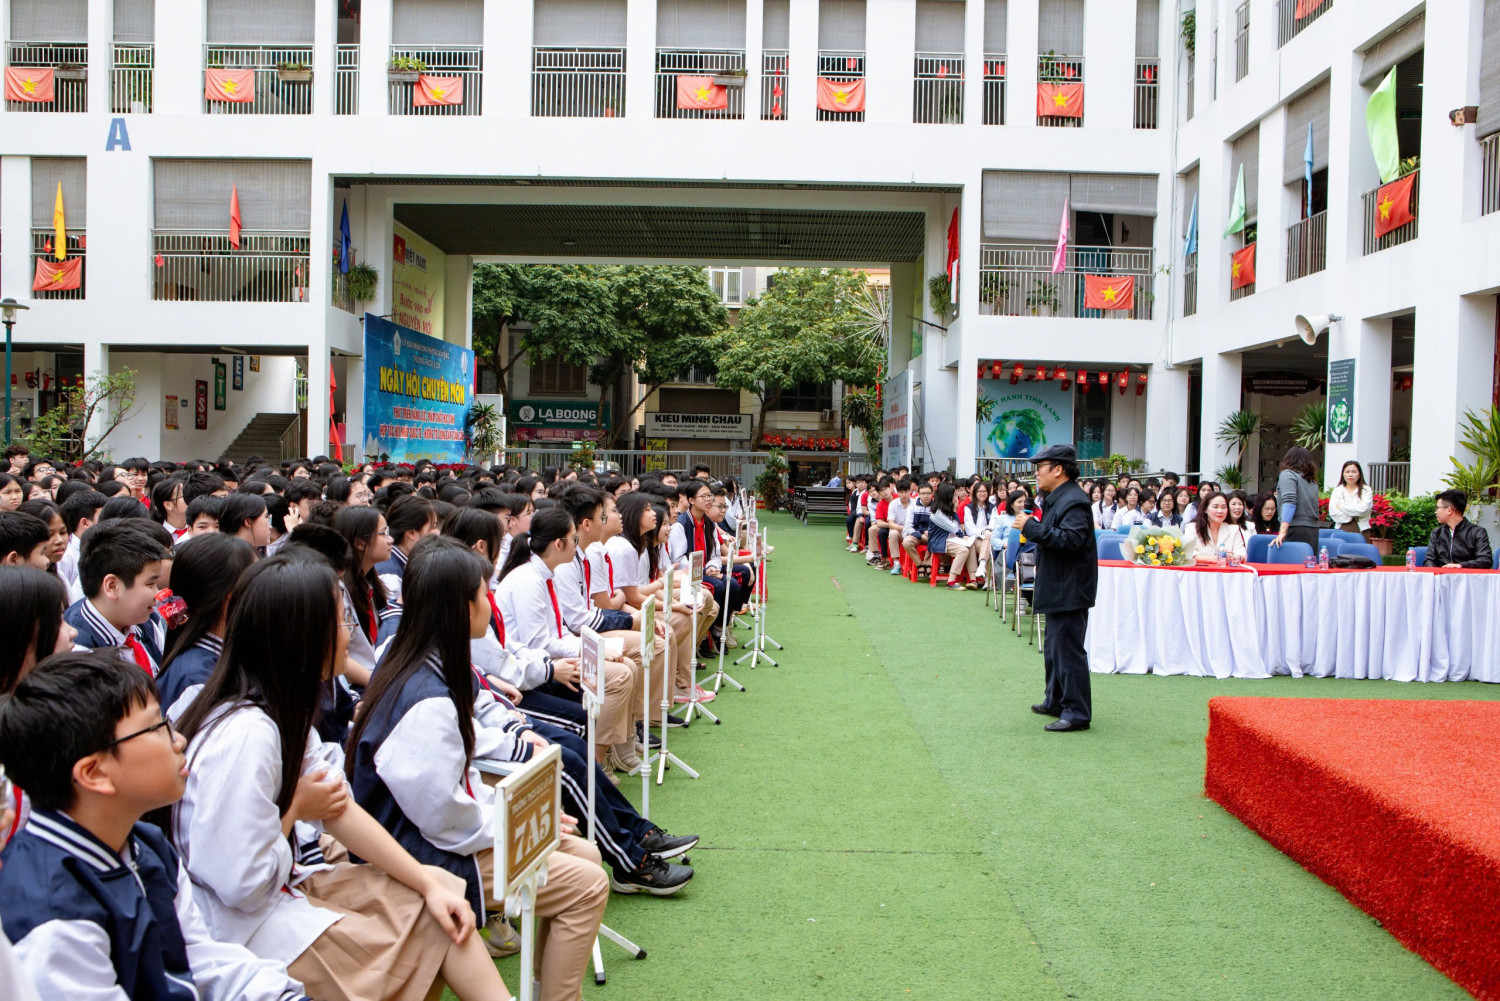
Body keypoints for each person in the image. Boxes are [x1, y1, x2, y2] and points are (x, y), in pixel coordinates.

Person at [169, 555, 512, 1001]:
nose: (349, 633)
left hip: (281, 889)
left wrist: (426, 880)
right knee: (437, 924)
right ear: (304, 637)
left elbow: (338, 807)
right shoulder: (246, 734)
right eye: (341, 618)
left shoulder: (278, 711)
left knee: (441, 895)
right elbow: (239, 884)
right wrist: (294, 809)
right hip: (245, 931)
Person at [345, 537, 613, 992]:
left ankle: (540, 979)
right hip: (423, 853)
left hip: (443, 832)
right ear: (460, 608)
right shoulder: (424, 697)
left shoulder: (425, 660)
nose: (491, 603)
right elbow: (445, 819)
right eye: (483, 594)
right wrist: (524, 822)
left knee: (586, 854)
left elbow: (458, 787)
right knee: (587, 884)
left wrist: (530, 818)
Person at [0, 651, 315, 1001]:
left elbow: (199, 960)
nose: (178, 739)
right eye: (157, 726)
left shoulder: (143, 844)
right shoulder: (52, 917)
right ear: (95, 773)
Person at [1014, 445, 1095, 732]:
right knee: (1053, 647)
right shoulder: (1057, 498)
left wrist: (1031, 527)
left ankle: (1077, 712)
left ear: (1058, 469)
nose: (1036, 471)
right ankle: (1056, 699)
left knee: (1067, 649)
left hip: (1069, 588)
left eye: (1041, 466)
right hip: (1059, 584)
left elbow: (1071, 541)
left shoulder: (1074, 500)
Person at [155, 533, 259, 710]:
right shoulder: (197, 681)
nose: (265, 592)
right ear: (229, 598)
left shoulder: (219, 655)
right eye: (257, 583)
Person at [63, 520, 170, 676]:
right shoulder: (80, 653)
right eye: (150, 584)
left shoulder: (142, 623)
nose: (157, 594)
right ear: (112, 586)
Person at [1424, 489, 1494, 569]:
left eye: (1437, 508)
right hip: (1442, 578)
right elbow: (1429, 560)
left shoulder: (1477, 532)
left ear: (1449, 510)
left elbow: (1485, 560)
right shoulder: (1437, 533)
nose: (1435, 512)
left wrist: (1461, 566)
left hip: (1468, 579)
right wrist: (1436, 573)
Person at [1271, 447, 1322, 551]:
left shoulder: (1288, 474)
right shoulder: (1311, 481)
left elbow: (1289, 502)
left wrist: (1282, 531)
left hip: (1295, 528)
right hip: (1312, 530)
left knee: (1292, 564)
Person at [1184, 492, 1248, 564]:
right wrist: (1217, 559)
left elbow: (1241, 553)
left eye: (1223, 507)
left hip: (1226, 572)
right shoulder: (1192, 528)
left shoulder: (1234, 529)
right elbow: (1190, 554)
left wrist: (1235, 557)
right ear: (1205, 509)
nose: (1220, 511)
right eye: (1215, 507)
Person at [1328, 461, 1373, 538]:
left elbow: (1363, 509)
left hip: (1362, 529)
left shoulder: (1366, 490)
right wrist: (1352, 515)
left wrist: (1342, 507)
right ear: (1343, 474)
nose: (1350, 475)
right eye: (1347, 472)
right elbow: (1333, 512)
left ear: (1359, 475)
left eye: (1354, 472)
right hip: (1341, 528)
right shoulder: (1337, 490)